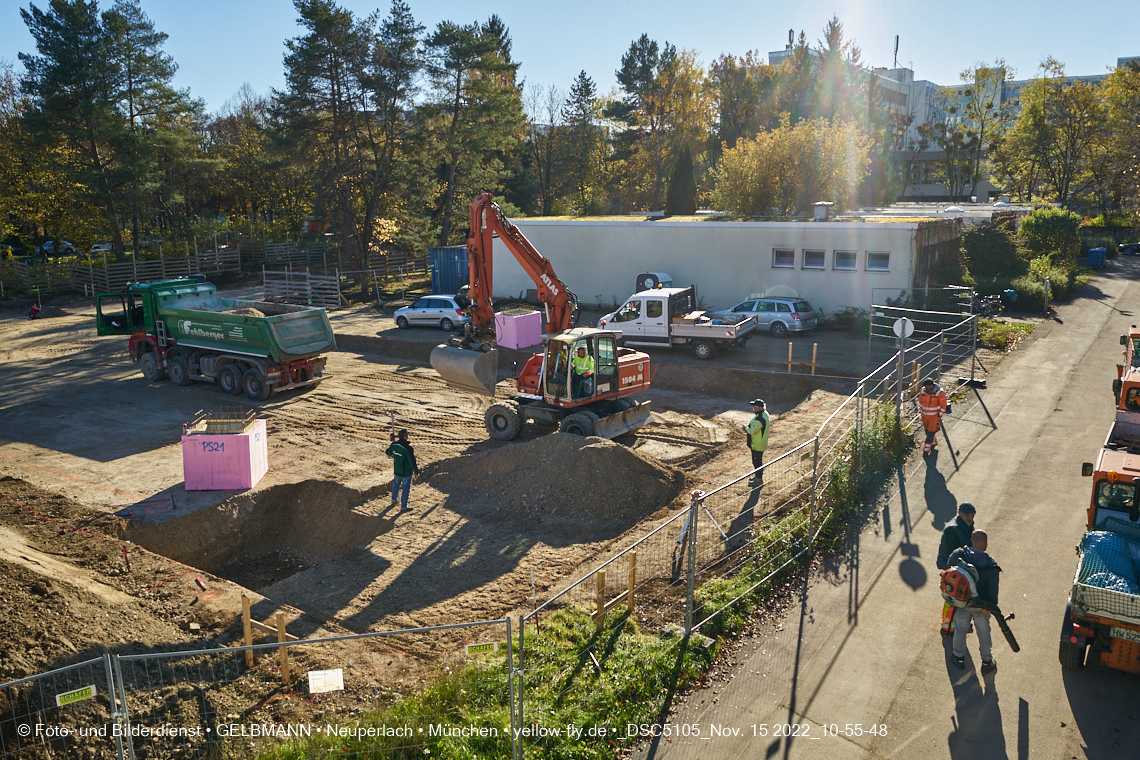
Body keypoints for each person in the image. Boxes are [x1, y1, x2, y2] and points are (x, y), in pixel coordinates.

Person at [948, 529, 1001, 673]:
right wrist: (990, 605)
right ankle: (987, 661)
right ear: (985, 542)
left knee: (960, 630)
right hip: (981, 605)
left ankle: (958, 657)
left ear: (972, 540)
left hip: (962, 602)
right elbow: (993, 588)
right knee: (984, 633)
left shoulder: (958, 555)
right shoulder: (990, 564)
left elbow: (949, 571)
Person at [937, 502, 976, 637]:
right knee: (953, 598)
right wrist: (950, 571)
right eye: (967, 515)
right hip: (953, 567)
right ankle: (947, 627)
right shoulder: (953, 530)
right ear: (959, 513)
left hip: (958, 566)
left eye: (972, 515)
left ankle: (954, 624)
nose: (970, 518)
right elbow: (951, 552)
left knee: (958, 597)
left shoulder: (964, 525)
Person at [385, 429, 420, 512]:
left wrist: (392, 444)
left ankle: (394, 499)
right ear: (405, 437)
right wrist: (416, 472)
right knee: (405, 488)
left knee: (396, 484)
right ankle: (403, 506)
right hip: (406, 472)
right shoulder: (408, 448)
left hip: (397, 470)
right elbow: (412, 461)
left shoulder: (394, 445)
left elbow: (388, 452)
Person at [743, 399, 770, 487]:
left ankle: (759, 480)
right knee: (758, 461)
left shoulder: (759, 418)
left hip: (756, 444)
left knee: (757, 462)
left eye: (754, 406)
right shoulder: (765, 414)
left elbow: (752, 431)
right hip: (760, 443)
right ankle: (757, 477)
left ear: (758, 408)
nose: (753, 408)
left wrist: (745, 428)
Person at [918, 378, 948, 456]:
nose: (927, 388)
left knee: (930, 433)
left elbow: (943, 405)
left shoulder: (939, 393)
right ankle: (933, 442)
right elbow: (920, 401)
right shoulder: (922, 391)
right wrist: (921, 411)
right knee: (927, 432)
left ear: (932, 385)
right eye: (926, 387)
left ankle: (926, 450)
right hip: (924, 416)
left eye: (928, 386)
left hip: (934, 417)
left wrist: (939, 416)